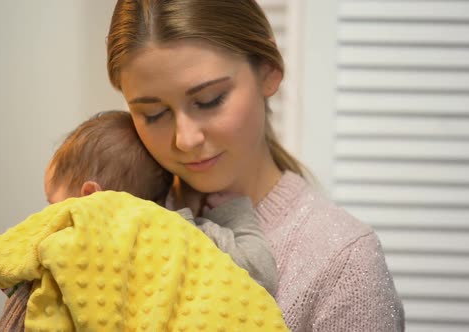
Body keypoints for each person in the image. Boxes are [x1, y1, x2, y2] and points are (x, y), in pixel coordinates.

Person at [105, 0, 405, 331]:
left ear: (268, 71)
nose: (185, 139)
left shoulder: (344, 262)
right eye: (154, 115)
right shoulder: (111, 221)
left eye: (210, 100)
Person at [0, 110, 278, 331]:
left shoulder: (60, 250)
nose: (48, 217)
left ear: (90, 196)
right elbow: (260, 271)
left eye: (53, 204)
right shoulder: (189, 236)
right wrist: (233, 213)